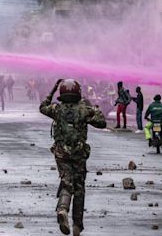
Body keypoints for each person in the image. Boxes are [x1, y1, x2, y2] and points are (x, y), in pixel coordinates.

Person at [40, 79, 106, 236]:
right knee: (79, 188)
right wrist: (91, 107)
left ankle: (62, 209)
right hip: (79, 155)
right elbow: (102, 122)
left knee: (66, 183)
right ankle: (77, 226)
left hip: (61, 154)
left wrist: (53, 89)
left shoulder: (57, 109)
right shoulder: (84, 110)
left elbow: (42, 107)